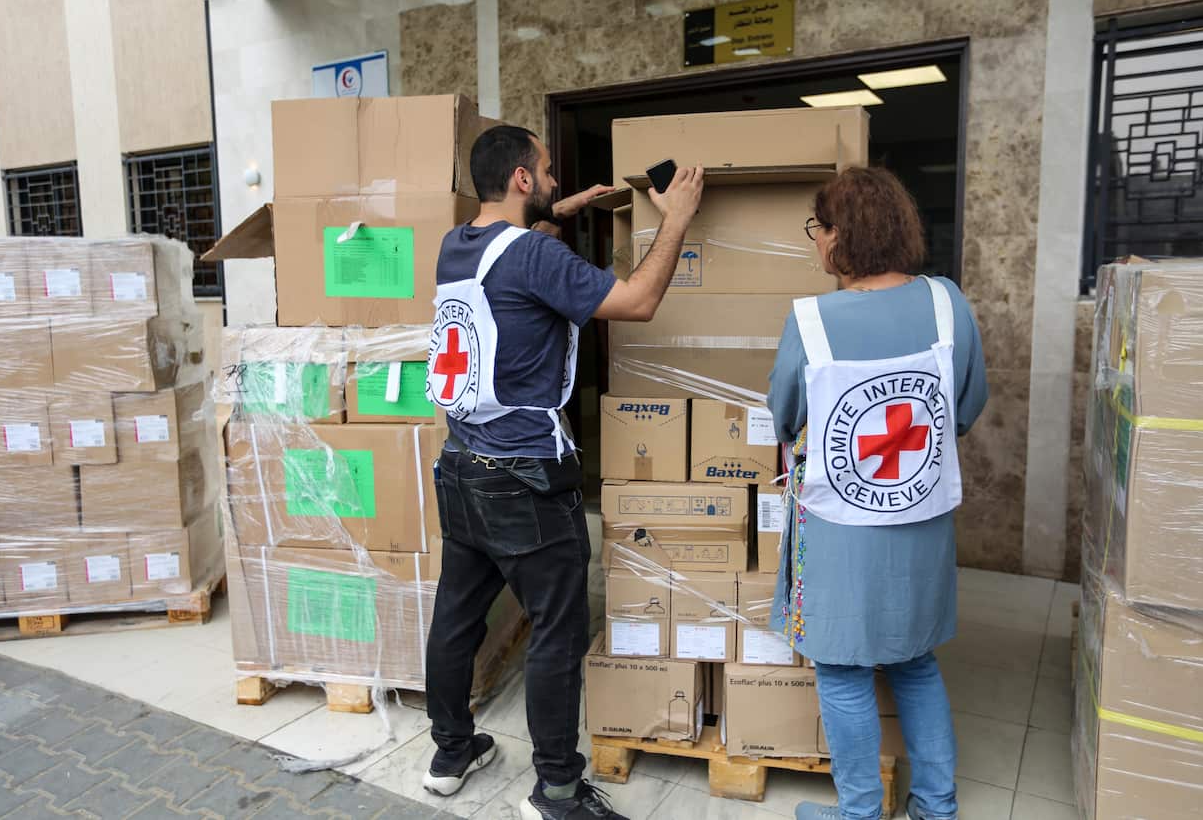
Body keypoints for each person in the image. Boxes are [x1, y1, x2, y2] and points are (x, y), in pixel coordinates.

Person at [422, 124, 705, 820]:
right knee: (558, 627)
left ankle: (451, 752)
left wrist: (559, 208)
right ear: (522, 178)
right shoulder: (532, 259)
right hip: (525, 474)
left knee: (457, 615)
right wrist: (678, 221)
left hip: (461, 464)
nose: (552, 178)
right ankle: (556, 791)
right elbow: (636, 301)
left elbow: (515, 251)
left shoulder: (458, 244)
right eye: (545, 170)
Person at [766, 167, 988, 820]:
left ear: (841, 236)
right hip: (919, 514)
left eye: (818, 228)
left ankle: (860, 812)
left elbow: (784, 410)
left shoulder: (812, 318)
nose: (815, 242)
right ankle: (935, 807)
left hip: (841, 527)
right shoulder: (949, 302)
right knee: (915, 658)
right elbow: (966, 404)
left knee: (841, 667)